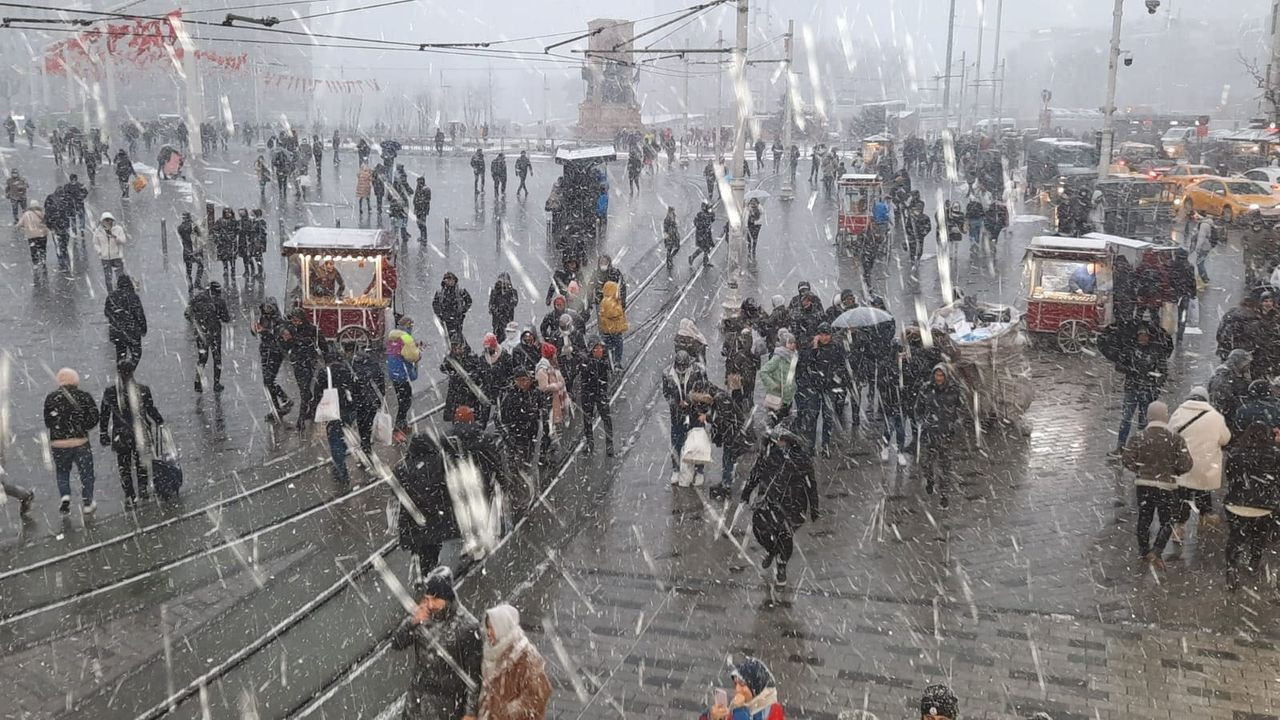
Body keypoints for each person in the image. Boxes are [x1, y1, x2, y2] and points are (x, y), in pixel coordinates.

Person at [391, 567, 483, 720]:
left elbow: (474, 675)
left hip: (446, 708)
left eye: (435, 600)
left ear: (447, 598)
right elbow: (397, 643)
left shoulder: (467, 627)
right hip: (416, 705)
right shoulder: (423, 616)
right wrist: (412, 622)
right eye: (427, 599)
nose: (430, 604)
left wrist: (470, 712)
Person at [742, 420, 818, 585]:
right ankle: (772, 550)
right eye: (778, 439)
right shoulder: (768, 453)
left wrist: (814, 507)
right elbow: (756, 472)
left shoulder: (801, 458)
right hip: (768, 501)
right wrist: (746, 492)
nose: (779, 442)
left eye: (783, 439)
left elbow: (810, 484)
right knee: (760, 529)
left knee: (785, 536)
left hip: (792, 504)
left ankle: (781, 566)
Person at [1122, 400, 1194, 568]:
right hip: (1167, 486)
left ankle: (1143, 551)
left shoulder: (1139, 437)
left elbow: (1126, 459)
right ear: (1165, 416)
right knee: (1167, 521)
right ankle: (1157, 550)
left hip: (1143, 485)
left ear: (1148, 416)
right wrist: (1174, 471)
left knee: (1144, 518)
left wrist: (1139, 469)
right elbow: (1186, 464)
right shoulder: (1175, 439)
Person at [1168, 387, 1231, 554]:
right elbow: (1225, 439)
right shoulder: (1216, 417)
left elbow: (1169, 435)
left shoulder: (1179, 413)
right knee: (1203, 490)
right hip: (1206, 465)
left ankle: (1179, 527)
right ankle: (1205, 519)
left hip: (1184, 465)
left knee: (1183, 496)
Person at [99, 358, 165, 509]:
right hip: (140, 431)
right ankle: (142, 488)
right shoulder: (142, 389)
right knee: (141, 462)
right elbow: (150, 409)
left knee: (124, 466)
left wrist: (103, 433)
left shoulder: (110, 393)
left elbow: (104, 415)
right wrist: (159, 420)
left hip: (121, 435)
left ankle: (129, 495)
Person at [1222, 422, 1280, 590]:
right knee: (1259, 535)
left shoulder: (1235, 453)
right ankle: (1253, 563)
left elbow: (1229, 476)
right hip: (1264, 505)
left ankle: (1231, 568)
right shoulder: (1275, 454)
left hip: (1236, 503)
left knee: (1235, 536)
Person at [478, 604, 552, 720]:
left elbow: (540, 693)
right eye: (487, 627)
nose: (488, 632)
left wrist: (509, 712)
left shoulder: (526, 656)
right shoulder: (492, 653)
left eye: (492, 627)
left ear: (502, 628)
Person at [44, 368, 100, 514]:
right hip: (80, 441)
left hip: (58, 443)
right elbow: (94, 417)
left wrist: (59, 428)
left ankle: (65, 496)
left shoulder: (51, 398)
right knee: (86, 473)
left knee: (62, 471)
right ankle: (88, 502)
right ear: (76, 380)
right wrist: (83, 427)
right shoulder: (84, 396)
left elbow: (48, 421)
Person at [1113, 324, 1171, 453]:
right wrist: (1130, 370)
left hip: (1148, 390)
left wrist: (1156, 386)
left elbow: (1164, 372)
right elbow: (1118, 365)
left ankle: (1141, 448)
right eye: (1140, 335)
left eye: (1145, 336)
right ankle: (1120, 447)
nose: (1142, 338)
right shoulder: (1130, 349)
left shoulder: (1156, 351)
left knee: (1143, 422)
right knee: (1126, 419)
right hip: (1131, 388)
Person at [306, 344, 359, 484]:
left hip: (333, 411)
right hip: (348, 409)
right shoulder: (347, 369)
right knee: (343, 437)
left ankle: (341, 472)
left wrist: (313, 410)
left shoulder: (324, 373)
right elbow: (355, 388)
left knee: (335, 441)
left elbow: (317, 393)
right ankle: (341, 459)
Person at [914, 363, 964, 508]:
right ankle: (930, 479)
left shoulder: (954, 390)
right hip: (929, 433)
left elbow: (961, 409)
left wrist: (955, 423)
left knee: (945, 466)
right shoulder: (926, 389)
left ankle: (944, 494)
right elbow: (918, 408)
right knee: (927, 463)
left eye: (942, 375)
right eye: (937, 375)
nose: (939, 378)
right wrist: (922, 422)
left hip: (946, 434)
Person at [662, 350, 712, 484]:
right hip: (677, 413)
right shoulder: (667, 374)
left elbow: (704, 391)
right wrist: (676, 403)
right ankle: (676, 469)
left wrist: (695, 404)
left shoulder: (698, 371)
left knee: (698, 442)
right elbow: (666, 393)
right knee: (676, 441)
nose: (682, 369)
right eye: (680, 367)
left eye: (684, 366)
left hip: (695, 411)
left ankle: (699, 470)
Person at [499, 369, 542, 518]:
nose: (523, 383)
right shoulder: (510, 398)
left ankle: (527, 496)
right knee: (517, 470)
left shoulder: (534, 393)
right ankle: (520, 501)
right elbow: (502, 419)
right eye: (520, 380)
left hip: (530, 437)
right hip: (516, 439)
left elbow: (540, 409)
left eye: (525, 380)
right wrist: (509, 437)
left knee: (526, 467)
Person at [702, 657, 785, 720]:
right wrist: (711, 717)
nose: (737, 689)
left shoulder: (772, 711)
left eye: (742, 684)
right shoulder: (737, 705)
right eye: (736, 683)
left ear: (756, 688)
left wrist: (740, 711)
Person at [253, 299, 293, 419]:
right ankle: (277, 408)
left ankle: (284, 399)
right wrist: (256, 329)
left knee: (269, 381)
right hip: (266, 352)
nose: (267, 311)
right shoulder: (263, 319)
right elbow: (257, 331)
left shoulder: (279, 321)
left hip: (275, 353)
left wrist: (266, 332)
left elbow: (281, 335)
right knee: (268, 382)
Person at [188, 281, 230, 394]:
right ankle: (216, 383)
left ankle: (198, 381)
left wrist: (197, 322)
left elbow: (187, 313)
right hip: (214, 333)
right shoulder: (219, 302)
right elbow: (226, 318)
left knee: (202, 358)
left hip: (201, 333)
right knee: (217, 358)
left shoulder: (197, 299)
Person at [283, 308, 320, 430]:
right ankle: (312, 407)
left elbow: (315, 343)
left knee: (304, 391)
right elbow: (286, 346)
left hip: (308, 363)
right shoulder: (291, 329)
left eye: (297, 320)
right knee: (304, 390)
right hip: (297, 363)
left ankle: (301, 418)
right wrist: (287, 340)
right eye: (294, 320)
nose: (296, 323)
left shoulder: (311, 329)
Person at [388, 316, 422, 440]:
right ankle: (398, 429)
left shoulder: (394, 336)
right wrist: (418, 352)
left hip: (394, 373)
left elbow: (401, 350)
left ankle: (403, 425)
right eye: (411, 326)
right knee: (405, 403)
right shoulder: (406, 338)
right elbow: (412, 356)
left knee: (402, 400)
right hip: (402, 374)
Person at [579, 338, 614, 456]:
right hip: (588, 394)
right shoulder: (586, 362)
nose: (600, 351)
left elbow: (609, 372)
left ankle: (609, 444)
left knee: (606, 418)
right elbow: (583, 376)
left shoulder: (604, 360)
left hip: (601, 393)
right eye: (597, 348)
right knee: (587, 419)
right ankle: (589, 442)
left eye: (601, 348)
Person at [104, 274, 147, 365]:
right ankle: (130, 367)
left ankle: (122, 367)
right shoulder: (133, 297)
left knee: (120, 352)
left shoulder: (111, 296)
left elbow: (107, 312)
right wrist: (143, 328)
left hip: (117, 331)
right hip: (132, 330)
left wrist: (116, 318)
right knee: (136, 352)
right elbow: (139, 314)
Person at [1210, 349, 1254, 436]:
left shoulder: (1236, 374)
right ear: (1239, 362)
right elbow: (1223, 397)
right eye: (1246, 364)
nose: (1248, 366)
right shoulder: (1224, 375)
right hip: (1227, 416)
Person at [93, 212, 128, 290]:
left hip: (116, 257)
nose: (108, 222)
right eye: (106, 220)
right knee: (108, 278)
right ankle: (110, 293)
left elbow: (123, 241)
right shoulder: (98, 231)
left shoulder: (118, 229)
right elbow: (96, 243)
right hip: (105, 258)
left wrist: (115, 237)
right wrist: (100, 251)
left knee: (120, 277)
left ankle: (121, 291)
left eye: (110, 220)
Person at [433, 271, 473, 340]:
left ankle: (459, 345)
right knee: (447, 337)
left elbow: (469, 301)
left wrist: (463, 310)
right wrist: (440, 314)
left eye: (452, 280)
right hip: (445, 319)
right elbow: (435, 304)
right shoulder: (440, 292)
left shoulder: (460, 291)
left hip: (458, 318)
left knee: (458, 335)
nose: (450, 282)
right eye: (448, 280)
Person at [598, 280, 628, 368]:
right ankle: (616, 362)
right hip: (614, 329)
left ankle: (610, 361)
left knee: (608, 345)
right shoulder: (610, 302)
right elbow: (613, 314)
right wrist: (620, 310)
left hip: (607, 329)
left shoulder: (605, 300)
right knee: (618, 345)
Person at [17, 200, 48, 279]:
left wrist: (24, 228)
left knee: (33, 250)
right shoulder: (41, 213)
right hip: (42, 235)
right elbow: (47, 221)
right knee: (43, 248)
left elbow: (19, 225)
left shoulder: (26, 214)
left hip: (31, 236)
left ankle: (35, 264)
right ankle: (43, 261)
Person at [177, 211, 205, 290]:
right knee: (201, 265)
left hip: (186, 250)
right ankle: (197, 282)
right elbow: (199, 235)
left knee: (188, 269)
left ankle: (190, 285)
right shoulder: (193, 226)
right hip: (194, 250)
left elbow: (181, 235)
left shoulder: (180, 227)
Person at [488, 272, 519, 340]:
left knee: (508, 334)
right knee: (497, 334)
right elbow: (491, 305)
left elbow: (514, 302)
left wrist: (506, 307)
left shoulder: (512, 291)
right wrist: (497, 311)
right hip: (497, 319)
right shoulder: (495, 291)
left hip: (507, 317)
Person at [690, 202, 716, 267]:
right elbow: (696, 223)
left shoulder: (708, 215)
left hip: (707, 234)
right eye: (709, 208)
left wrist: (712, 214)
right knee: (704, 248)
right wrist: (702, 226)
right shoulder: (700, 215)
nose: (710, 209)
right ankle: (692, 257)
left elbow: (712, 220)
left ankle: (705, 262)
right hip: (702, 234)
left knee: (706, 248)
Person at [663, 206, 680, 275]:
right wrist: (667, 235)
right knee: (669, 249)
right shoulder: (667, 219)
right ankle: (669, 262)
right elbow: (665, 228)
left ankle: (670, 259)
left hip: (674, 234)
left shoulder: (674, 216)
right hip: (670, 235)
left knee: (677, 247)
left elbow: (676, 224)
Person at [413, 177, 432, 241]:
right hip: (418, 209)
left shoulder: (426, 189)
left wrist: (420, 201)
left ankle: (424, 237)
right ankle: (422, 236)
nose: (418, 183)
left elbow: (427, 199)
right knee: (419, 223)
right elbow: (415, 197)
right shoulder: (418, 188)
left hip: (423, 209)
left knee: (422, 223)